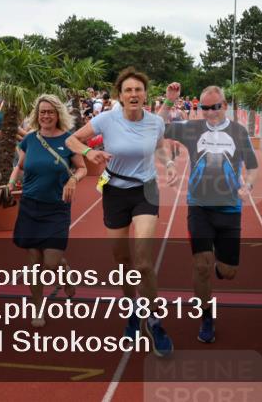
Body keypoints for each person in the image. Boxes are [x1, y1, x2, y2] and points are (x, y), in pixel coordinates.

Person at [64, 67, 175, 356]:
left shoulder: (154, 122)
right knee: (122, 258)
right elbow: (71, 140)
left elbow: (160, 147)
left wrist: (169, 164)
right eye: (128, 90)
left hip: (146, 190)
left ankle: (154, 319)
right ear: (120, 96)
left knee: (143, 260)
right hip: (115, 191)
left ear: (145, 94)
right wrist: (89, 153)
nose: (134, 94)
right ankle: (133, 310)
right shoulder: (106, 119)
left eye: (138, 89)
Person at [157, 83, 259, 344]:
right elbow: (155, 127)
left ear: (224, 106)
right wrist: (170, 101)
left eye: (215, 107)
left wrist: (247, 185)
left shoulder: (238, 132)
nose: (210, 112)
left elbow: (253, 167)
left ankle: (219, 266)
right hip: (199, 207)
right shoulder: (192, 129)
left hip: (229, 210)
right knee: (201, 266)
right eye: (205, 107)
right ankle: (206, 316)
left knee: (228, 272)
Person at [0, 94, 86, 326]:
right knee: (34, 262)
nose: (46, 116)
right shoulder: (31, 139)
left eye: (50, 112)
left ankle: (64, 268)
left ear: (58, 115)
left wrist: (73, 180)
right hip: (30, 206)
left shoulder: (68, 140)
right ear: (37, 115)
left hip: (57, 208)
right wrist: (9, 183)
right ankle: (37, 309)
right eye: (42, 112)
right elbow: (20, 165)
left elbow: (83, 168)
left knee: (51, 262)